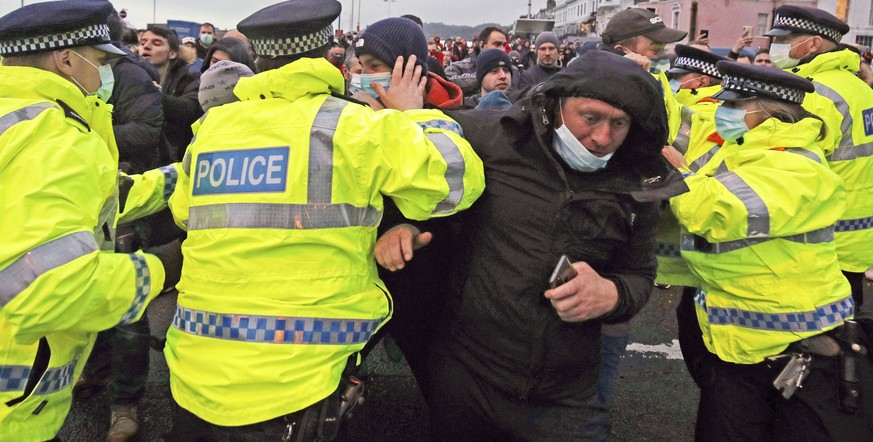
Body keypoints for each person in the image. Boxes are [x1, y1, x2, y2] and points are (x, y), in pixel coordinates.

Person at [160, 1, 485, 440]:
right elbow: (455, 182)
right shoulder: (354, 128)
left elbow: (185, 214)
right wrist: (412, 115)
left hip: (196, 374)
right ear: (329, 55)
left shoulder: (214, 129)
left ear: (259, 60)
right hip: (297, 384)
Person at [378, 49, 686, 440]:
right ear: (557, 105)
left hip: (566, 391)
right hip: (468, 375)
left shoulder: (637, 182)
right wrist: (402, 222)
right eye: (589, 118)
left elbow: (640, 276)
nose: (602, 138)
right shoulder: (496, 137)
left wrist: (611, 293)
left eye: (619, 123)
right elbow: (424, 165)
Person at [0, 1, 178, 440]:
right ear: (66, 60)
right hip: (13, 400)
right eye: (100, 61)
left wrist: (184, 177)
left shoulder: (16, 118)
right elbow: (54, 287)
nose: (105, 73)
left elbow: (101, 194)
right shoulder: (54, 137)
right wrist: (167, 265)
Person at [671, 60, 872, 440]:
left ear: (768, 112)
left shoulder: (798, 167)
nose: (723, 113)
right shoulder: (743, 147)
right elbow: (684, 123)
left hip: (791, 346)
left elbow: (714, 210)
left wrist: (675, 174)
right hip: (741, 342)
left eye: (733, 106)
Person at [72, 10, 166, 442]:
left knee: (128, 310)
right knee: (82, 298)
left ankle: (124, 403)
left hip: (124, 197)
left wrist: (86, 137)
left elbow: (147, 131)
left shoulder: (129, 76)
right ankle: (93, 371)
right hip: (77, 204)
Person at [766, 5, 873, 311]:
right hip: (856, 236)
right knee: (845, 330)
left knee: (812, 340)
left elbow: (788, 169)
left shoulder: (813, 94)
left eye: (785, 39)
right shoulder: (860, 88)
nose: (777, 47)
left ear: (812, 44)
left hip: (818, 240)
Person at [352, 17, 463, 111]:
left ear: (410, 69)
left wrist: (406, 116)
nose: (364, 75)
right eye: (362, 67)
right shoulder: (364, 107)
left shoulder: (454, 119)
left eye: (374, 65)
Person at [139, 26, 202, 164]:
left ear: (172, 53)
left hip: (177, 160)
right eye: (143, 42)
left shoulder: (189, 79)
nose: (146, 47)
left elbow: (189, 109)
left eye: (156, 43)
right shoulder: (129, 77)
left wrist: (156, 96)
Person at [445, 26, 519, 96]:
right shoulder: (458, 67)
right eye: (497, 44)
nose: (502, 49)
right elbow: (447, 84)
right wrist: (483, 75)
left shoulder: (513, 69)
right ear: (482, 45)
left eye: (504, 45)